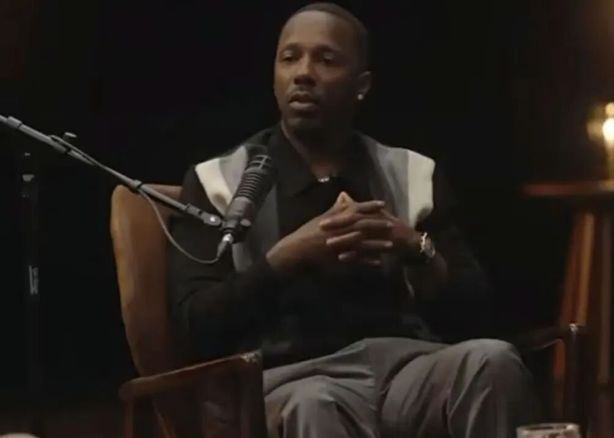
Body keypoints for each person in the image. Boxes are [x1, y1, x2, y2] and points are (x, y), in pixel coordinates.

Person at [167, 2, 540, 437]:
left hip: (406, 368)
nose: (303, 73)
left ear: (361, 85)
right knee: (314, 404)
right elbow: (196, 326)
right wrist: (285, 259)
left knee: (494, 362)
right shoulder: (219, 181)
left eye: (326, 60)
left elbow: (476, 310)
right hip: (292, 377)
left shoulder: (412, 173)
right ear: (274, 76)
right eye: (290, 58)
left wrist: (414, 247)